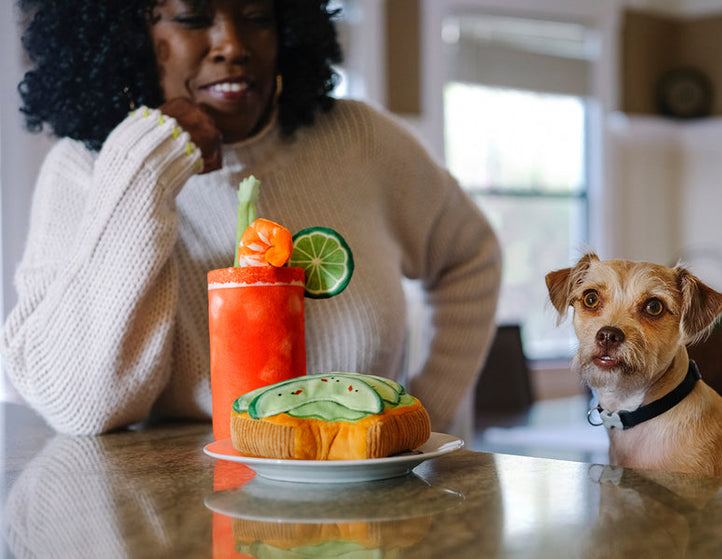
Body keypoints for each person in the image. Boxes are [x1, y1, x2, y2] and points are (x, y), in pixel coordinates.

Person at [3, 0, 501, 436]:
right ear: (131, 34)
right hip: (173, 526)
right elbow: (82, 406)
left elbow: (471, 256)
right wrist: (145, 164)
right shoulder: (83, 169)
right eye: (194, 17)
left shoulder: (360, 140)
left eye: (257, 16)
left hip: (361, 510)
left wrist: (426, 416)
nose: (232, 44)